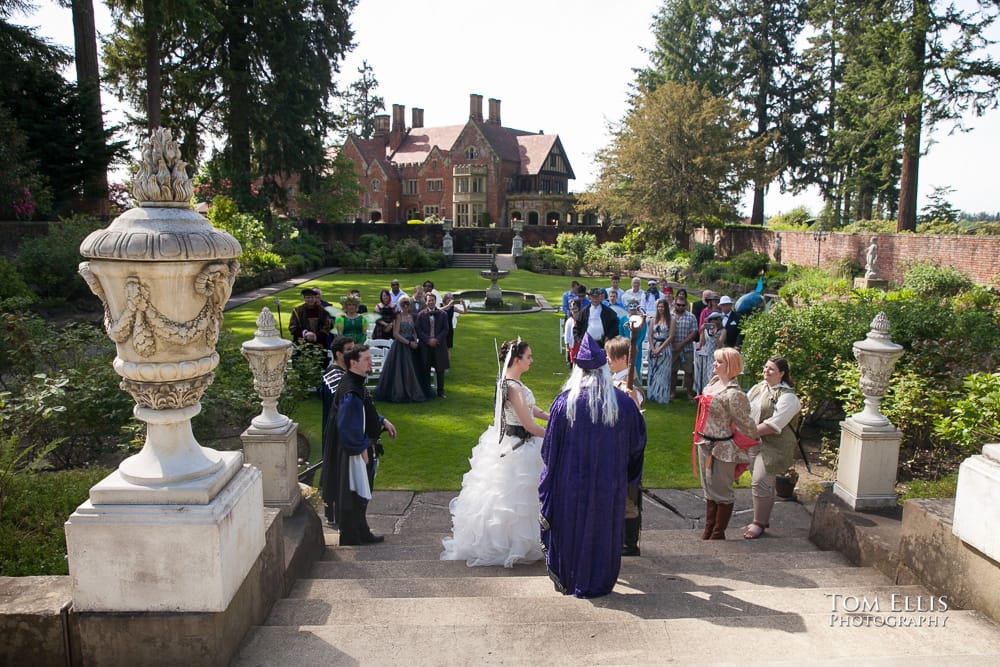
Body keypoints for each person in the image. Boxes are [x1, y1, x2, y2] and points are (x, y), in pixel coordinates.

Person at [540, 333, 646, 598]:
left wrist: (549, 479)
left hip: (571, 481)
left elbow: (549, 449)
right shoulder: (623, 404)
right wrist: (627, 475)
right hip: (608, 482)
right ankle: (598, 581)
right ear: (603, 368)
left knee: (572, 527)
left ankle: (571, 576)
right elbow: (637, 444)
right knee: (603, 529)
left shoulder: (564, 403)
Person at [441, 339, 549, 567]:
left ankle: (526, 541)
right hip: (520, 446)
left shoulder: (511, 383)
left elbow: (530, 408)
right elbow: (529, 426)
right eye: (529, 356)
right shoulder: (513, 387)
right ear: (517, 359)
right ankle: (512, 544)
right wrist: (553, 435)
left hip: (514, 442)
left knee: (521, 498)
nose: (532, 360)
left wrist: (551, 416)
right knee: (516, 498)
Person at [326, 345, 397, 545]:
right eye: (366, 359)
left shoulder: (356, 383)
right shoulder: (351, 390)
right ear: (353, 363)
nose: (371, 362)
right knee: (355, 493)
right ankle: (352, 536)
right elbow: (347, 424)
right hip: (354, 452)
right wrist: (362, 448)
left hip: (358, 449)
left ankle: (361, 531)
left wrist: (382, 421)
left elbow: (364, 408)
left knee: (360, 493)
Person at [693, 348, 760, 540]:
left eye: (719, 362)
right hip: (704, 442)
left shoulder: (734, 394)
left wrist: (753, 441)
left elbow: (746, 422)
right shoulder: (713, 383)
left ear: (730, 366)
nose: (714, 364)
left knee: (721, 490)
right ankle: (708, 530)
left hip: (722, 448)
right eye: (715, 361)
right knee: (708, 487)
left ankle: (717, 533)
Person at [744, 356, 802, 539]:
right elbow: (745, 407)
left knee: (760, 481)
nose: (766, 371)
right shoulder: (759, 388)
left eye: (771, 369)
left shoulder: (788, 397)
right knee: (765, 483)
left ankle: (757, 523)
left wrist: (745, 434)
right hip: (755, 441)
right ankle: (762, 520)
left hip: (775, 445)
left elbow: (773, 425)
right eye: (765, 367)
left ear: (782, 374)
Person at [604, 336, 645, 557]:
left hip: (626, 452)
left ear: (623, 359)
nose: (607, 360)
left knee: (628, 496)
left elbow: (637, 421)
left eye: (610, 357)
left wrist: (634, 402)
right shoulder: (611, 380)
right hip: (611, 447)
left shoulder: (630, 387)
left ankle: (630, 543)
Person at [319, 336, 354, 525]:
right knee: (335, 474)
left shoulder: (345, 373)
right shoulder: (334, 375)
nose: (353, 352)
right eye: (349, 349)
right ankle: (335, 515)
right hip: (336, 434)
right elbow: (343, 405)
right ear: (339, 354)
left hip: (342, 433)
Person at [373, 296, 428, 403]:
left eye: (407, 304)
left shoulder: (411, 316)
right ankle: (401, 392)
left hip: (412, 345)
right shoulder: (398, 316)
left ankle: (413, 390)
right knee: (402, 369)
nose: (406, 306)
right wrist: (408, 343)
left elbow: (413, 330)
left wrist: (415, 340)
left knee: (414, 369)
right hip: (401, 346)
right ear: (400, 305)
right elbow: (395, 334)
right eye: (403, 304)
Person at [415, 292, 451, 398]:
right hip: (425, 346)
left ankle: (441, 392)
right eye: (429, 300)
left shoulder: (443, 314)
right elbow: (418, 329)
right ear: (426, 302)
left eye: (432, 300)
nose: (431, 302)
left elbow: (446, 329)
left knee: (440, 369)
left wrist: (436, 340)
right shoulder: (421, 315)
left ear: (435, 301)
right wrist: (428, 340)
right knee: (425, 369)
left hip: (439, 346)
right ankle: (427, 391)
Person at [670, 292, 698, 400]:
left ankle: (689, 393)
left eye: (682, 305)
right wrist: (673, 344)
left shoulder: (691, 317)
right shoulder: (670, 315)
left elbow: (693, 333)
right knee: (673, 372)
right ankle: (672, 392)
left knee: (689, 372)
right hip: (673, 348)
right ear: (674, 304)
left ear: (686, 305)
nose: (680, 307)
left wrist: (681, 344)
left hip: (687, 348)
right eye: (678, 305)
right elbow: (667, 331)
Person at [646, 298, 674, 403]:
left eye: (662, 306)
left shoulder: (671, 320)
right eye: (659, 306)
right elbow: (650, 335)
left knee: (663, 373)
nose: (660, 308)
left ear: (666, 307)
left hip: (665, 348)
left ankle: (661, 396)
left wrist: (660, 348)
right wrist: (653, 348)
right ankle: (652, 394)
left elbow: (671, 336)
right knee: (653, 371)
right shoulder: (654, 320)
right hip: (654, 346)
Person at [693, 311, 724, 395]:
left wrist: (715, 334)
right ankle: (702, 394)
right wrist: (702, 331)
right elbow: (702, 343)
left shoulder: (723, 331)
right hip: (704, 356)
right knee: (703, 377)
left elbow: (719, 345)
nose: (714, 321)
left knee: (711, 376)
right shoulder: (706, 330)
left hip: (714, 357)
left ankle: (711, 394)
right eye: (711, 320)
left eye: (716, 319)